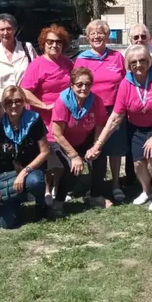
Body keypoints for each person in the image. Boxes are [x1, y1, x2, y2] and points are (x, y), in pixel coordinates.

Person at [90, 46, 152, 211]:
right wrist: (98, 144)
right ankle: (146, 191)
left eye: (142, 60)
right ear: (128, 65)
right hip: (137, 127)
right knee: (138, 163)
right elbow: (115, 117)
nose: (138, 65)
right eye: (133, 62)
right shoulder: (125, 83)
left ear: (149, 61)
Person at [73, 19, 128, 203]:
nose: (97, 36)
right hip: (91, 110)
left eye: (101, 33)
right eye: (92, 34)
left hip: (115, 109)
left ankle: (115, 185)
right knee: (95, 148)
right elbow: (76, 85)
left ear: (107, 36)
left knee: (114, 149)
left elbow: (125, 81)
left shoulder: (117, 57)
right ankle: (94, 185)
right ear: (87, 37)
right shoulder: (82, 59)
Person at [20, 24, 75, 205]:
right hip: (43, 119)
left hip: (63, 118)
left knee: (60, 157)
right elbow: (24, 92)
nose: (54, 45)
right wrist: (44, 106)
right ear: (43, 43)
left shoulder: (68, 63)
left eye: (58, 42)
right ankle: (45, 191)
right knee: (46, 155)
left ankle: (58, 188)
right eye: (50, 42)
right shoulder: (37, 65)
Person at [0, 86, 49, 229]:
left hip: (30, 171)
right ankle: (15, 201)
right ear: (3, 104)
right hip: (6, 175)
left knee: (35, 181)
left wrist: (24, 172)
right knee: (7, 225)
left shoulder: (34, 120)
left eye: (18, 101)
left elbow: (44, 152)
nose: (13, 105)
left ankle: (40, 202)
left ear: (24, 101)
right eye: (8, 102)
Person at [52, 67, 112, 210]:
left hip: (84, 138)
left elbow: (99, 125)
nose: (84, 88)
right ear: (72, 86)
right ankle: (58, 201)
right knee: (72, 166)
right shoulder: (62, 101)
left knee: (100, 157)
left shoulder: (96, 101)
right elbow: (57, 134)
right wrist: (74, 156)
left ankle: (95, 195)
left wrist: (96, 146)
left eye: (88, 84)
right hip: (62, 141)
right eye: (79, 84)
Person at [0, 13, 36, 90]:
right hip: (2, 100)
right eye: (2, 29)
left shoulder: (27, 47)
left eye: (9, 29)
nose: (5, 33)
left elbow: (37, 72)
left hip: (26, 97)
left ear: (15, 30)